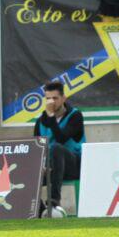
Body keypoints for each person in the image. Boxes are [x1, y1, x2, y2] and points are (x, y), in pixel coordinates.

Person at [34, 80, 83, 218]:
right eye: (48, 98)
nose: (51, 102)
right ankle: (39, 210)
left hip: (72, 165)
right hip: (50, 168)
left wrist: (51, 117)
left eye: (55, 98)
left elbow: (61, 138)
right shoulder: (40, 122)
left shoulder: (75, 116)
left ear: (63, 98)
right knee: (28, 171)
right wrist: (42, 166)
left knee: (56, 148)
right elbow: (36, 149)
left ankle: (54, 200)